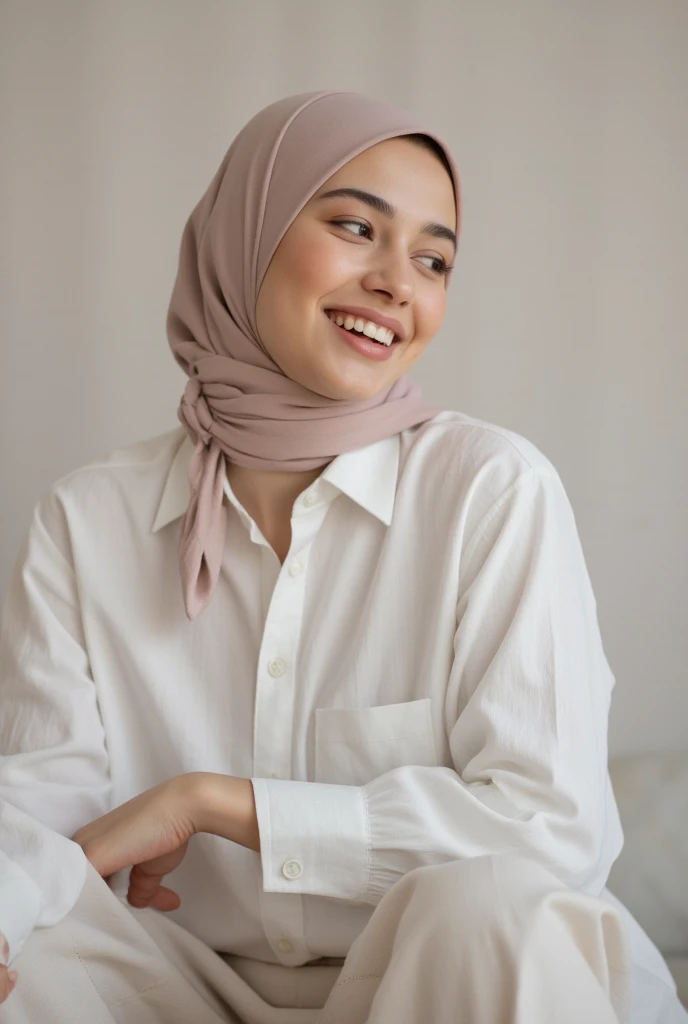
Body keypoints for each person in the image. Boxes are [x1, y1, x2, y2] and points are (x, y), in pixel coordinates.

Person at [0, 89, 684, 1024]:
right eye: (357, 227)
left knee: (491, 909)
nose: (400, 282)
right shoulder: (88, 518)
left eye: (434, 258)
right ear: (248, 235)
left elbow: (549, 831)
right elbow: (39, 815)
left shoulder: (490, 490)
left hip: (435, 982)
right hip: (176, 983)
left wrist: (216, 803)